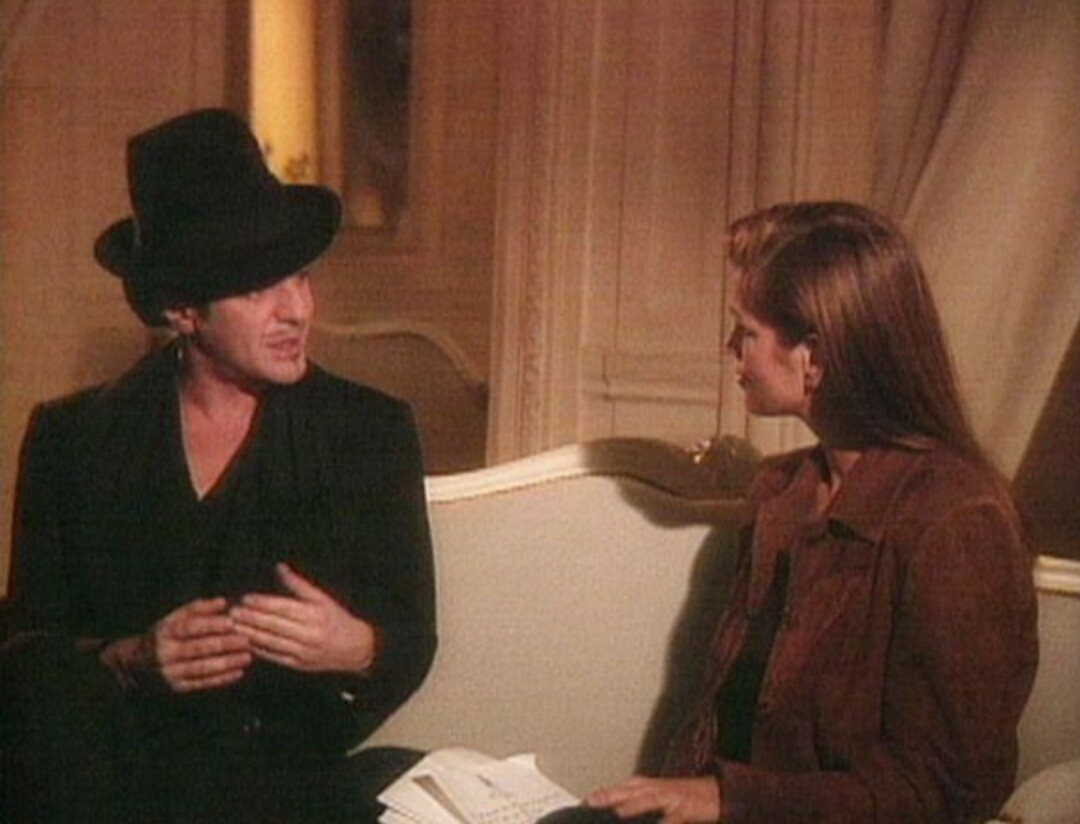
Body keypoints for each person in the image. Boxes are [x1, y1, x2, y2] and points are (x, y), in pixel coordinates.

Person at [0, 109, 437, 823]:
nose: (297, 310)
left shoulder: (369, 431)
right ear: (182, 311)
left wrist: (355, 646)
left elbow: (411, 641)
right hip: (109, 790)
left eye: (300, 277)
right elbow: (25, 653)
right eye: (258, 289)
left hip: (289, 797)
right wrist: (130, 660)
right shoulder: (72, 439)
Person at [548, 202, 1039, 823]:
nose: (731, 349)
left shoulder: (958, 522)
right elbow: (719, 721)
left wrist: (727, 797)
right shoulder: (783, 492)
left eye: (746, 332)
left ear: (815, 357)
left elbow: (943, 794)